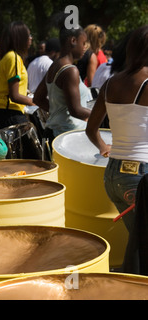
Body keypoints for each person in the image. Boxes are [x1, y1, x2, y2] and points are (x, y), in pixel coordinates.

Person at [85, 26, 148, 270]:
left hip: (113, 176)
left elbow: (91, 129)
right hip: (141, 176)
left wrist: (105, 148)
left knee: (139, 240)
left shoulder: (111, 83)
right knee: (142, 244)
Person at [33, 22, 91, 141]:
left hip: (54, 133)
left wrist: (57, 113)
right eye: (83, 43)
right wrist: (102, 112)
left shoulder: (55, 66)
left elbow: (37, 98)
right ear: (73, 40)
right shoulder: (70, 70)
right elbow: (76, 110)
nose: (85, 47)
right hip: (68, 137)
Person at [0, 21, 35, 129]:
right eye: (28, 35)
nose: (31, 38)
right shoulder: (13, 58)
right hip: (9, 112)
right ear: (20, 38)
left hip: (5, 111)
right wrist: (37, 102)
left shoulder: (9, 57)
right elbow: (14, 96)